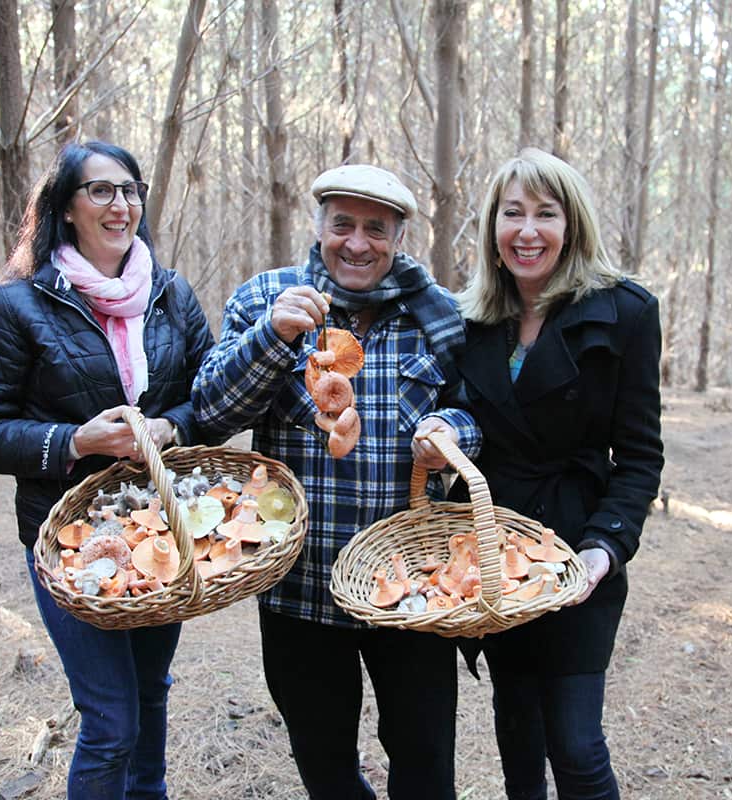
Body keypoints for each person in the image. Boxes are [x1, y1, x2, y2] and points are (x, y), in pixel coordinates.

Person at [190, 164, 480, 800]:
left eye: (376, 229)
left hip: (412, 584)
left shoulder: (437, 314)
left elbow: (475, 413)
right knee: (324, 765)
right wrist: (273, 336)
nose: (357, 243)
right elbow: (210, 414)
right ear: (318, 226)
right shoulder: (266, 299)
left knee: (426, 763)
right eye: (342, 224)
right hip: (302, 587)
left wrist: (451, 431)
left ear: (398, 238)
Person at [0, 141, 217, 800]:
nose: (119, 204)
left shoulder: (171, 294)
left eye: (129, 190)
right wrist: (74, 440)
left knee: (150, 693)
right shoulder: (19, 305)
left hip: (159, 533)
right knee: (110, 721)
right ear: (66, 208)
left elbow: (211, 401)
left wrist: (171, 427)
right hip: (69, 544)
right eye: (100, 190)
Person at [452, 147, 663, 800]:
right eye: (512, 213)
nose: (527, 231)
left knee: (575, 743)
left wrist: (606, 546)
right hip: (496, 554)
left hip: (578, 553)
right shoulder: (469, 320)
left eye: (546, 213)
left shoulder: (625, 313)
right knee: (517, 733)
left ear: (571, 225)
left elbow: (640, 456)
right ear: (492, 226)